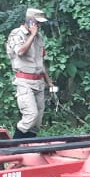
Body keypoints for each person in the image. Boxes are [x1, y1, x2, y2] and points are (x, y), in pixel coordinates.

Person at [5, 7, 55, 139]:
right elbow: (20, 52)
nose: (39, 25)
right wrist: (32, 35)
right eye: (37, 22)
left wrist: (49, 82)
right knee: (30, 115)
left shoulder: (39, 37)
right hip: (24, 82)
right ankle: (13, 146)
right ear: (30, 21)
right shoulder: (17, 34)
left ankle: (29, 147)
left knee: (37, 121)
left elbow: (40, 62)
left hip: (38, 82)